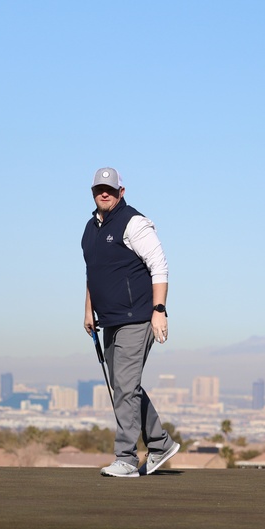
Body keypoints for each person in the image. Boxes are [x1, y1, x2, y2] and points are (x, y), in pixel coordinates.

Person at [81, 167, 180, 477]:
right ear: (93, 193)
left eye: (110, 189)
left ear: (121, 192)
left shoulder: (134, 223)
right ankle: (160, 444)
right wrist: (88, 310)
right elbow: (93, 273)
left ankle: (125, 458)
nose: (104, 193)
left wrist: (159, 309)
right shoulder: (90, 229)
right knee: (125, 385)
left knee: (125, 387)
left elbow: (159, 266)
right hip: (109, 320)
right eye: (99, 189)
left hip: (137, 317)